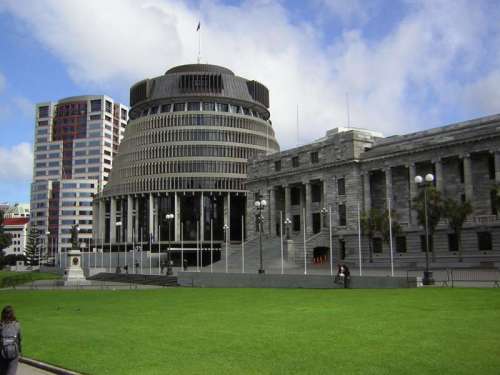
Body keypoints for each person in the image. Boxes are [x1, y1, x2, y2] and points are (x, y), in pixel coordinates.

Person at [0, 305, 21, 375]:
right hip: (14, 353)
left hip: (2, 353)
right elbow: (19, 339)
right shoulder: (17, 325)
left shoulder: (1, 325)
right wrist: (20, 351)